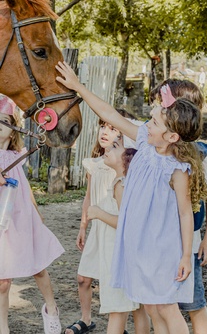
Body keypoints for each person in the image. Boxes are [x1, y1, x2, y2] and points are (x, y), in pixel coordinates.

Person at [55, 61, 207, 334]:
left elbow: (186, 214)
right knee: (150, 306)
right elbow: (109, 113)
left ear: (172, 136)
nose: (147, 124)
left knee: (166, 308)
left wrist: (186, 255)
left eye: (154, 122)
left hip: (162, 248)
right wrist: (78, 87)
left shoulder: (177, 169)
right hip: (139, 244)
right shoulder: (143, 141)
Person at [65, 118, 149, 334]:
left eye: (113, 130)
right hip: (100, 230)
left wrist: (100, 214)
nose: (105, 132)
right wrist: (84, 226)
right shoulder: (96, 164)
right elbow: (89, 197)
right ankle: (88, 319)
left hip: (115, 233)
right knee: (85, 278)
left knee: (125, 302)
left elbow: (126, 219)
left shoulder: (121, 174)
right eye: (103, 126)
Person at [153, 79, 207, 334]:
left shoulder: (201, 152)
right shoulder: (153, 147)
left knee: (193, 301)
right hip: (158, 238)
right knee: (159, 304)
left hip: (187, 240)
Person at [0, 95, 64, 334]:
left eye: (4, 120)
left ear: (13, 128)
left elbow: (25, 189)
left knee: (38, 266)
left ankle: (51, 309)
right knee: (3, 282)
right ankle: (3, 327)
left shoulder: (17, 156)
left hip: (21, 219)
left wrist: (36, 214)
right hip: (1, 223)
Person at [86, 133, 150, 334]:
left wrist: (98, 212)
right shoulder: (124, 182)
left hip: (117, 257)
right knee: (139, 308)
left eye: (115, 146)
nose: (108, 149)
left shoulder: (121, 184)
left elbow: (126, 223)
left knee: (117, 309)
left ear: (128, 157)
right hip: (127, 255)